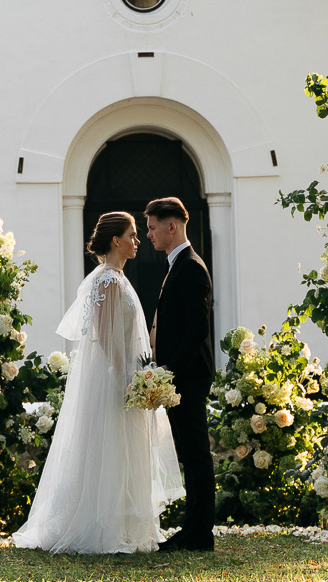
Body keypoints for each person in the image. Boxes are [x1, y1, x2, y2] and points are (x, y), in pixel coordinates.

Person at [13, 211, 183, 554]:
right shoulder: (106, 280)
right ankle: (99, 525)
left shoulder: (117, 278)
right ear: (116, 240)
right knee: (110, 447)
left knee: (123, 450)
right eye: (133, 235)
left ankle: (124, 523)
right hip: (114, 379)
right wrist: (129, 378)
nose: (138, 240)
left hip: (127, 375)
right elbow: (105, 337)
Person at [146, 196, 216, 552]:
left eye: (153, 226)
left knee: (197, 452)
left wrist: (170, 370)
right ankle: (194, 528)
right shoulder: (179, 264)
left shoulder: (189, 266)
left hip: (188, 377)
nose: (148, 234)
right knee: (191, 452)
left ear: (171, 226)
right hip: (181, 376)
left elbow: (197, 329)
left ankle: (200, 532)